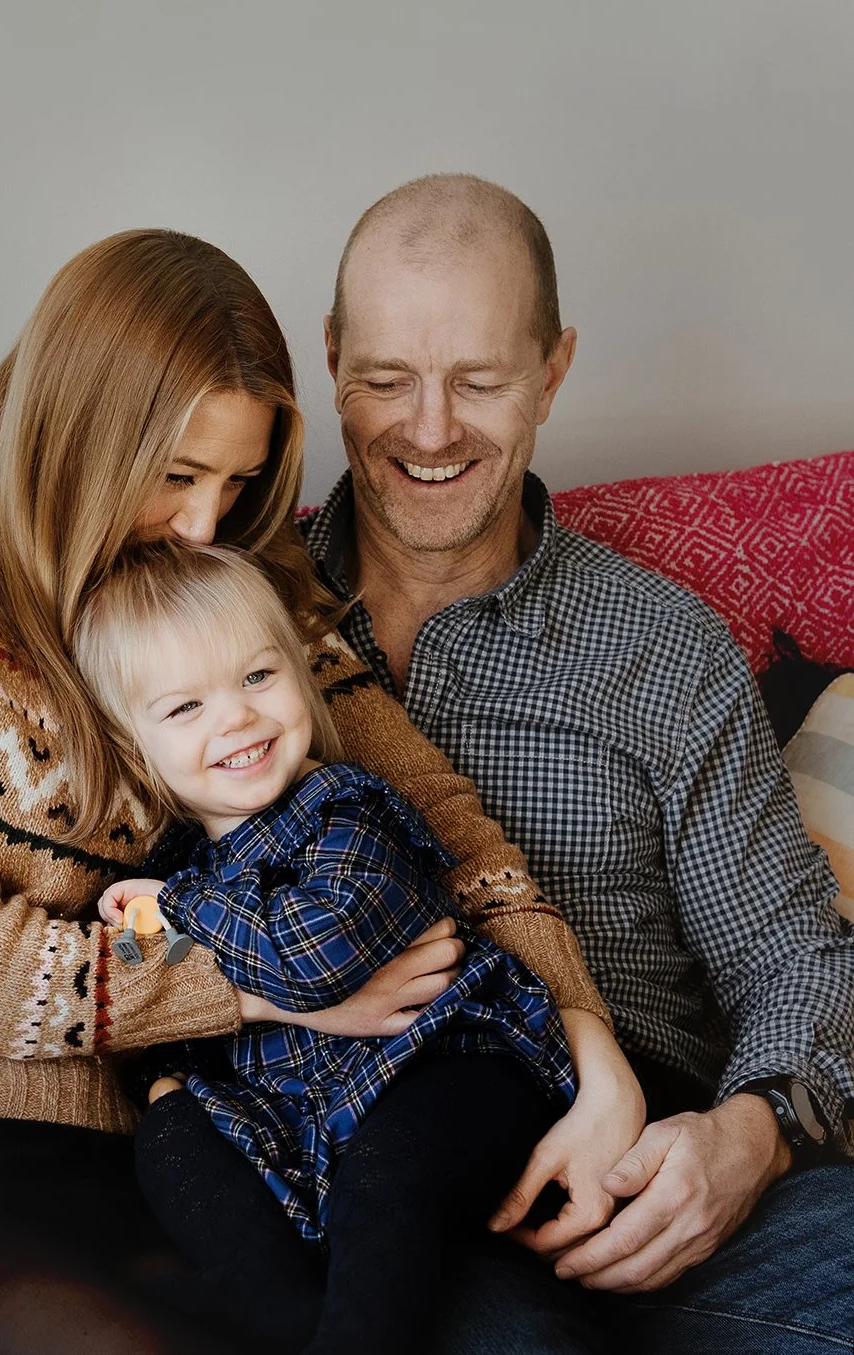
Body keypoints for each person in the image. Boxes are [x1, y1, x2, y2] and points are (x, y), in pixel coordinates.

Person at [0, 227, 633, 1355]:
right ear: (75, 430)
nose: (203, 523)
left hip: (146, 1150)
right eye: (177, 475)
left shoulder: (224, 575)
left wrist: (588, 1047)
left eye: (237, 481)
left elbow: (445, 823)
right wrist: (272, 987)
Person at [300, 172, 854, 1352]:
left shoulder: (660, 644)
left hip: (659, 1161)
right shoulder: (233, 622)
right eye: (387, 378)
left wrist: (738, 1142)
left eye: (480, 380)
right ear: (331, 356)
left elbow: (790, 951)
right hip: (394, 1169)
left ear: (551, 371)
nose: (431, 428)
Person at [74, 537, 593, 1354]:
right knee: (171, 1142)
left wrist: (175, 911)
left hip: (444, 1065)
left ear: (300, 674)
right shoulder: (170, 870)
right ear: (135, 749)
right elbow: (168, 1007)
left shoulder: (346, 812)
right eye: (185, 707)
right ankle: (290, 1324)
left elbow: (314, 963)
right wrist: (166, 1073)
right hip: (293, 1119)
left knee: (392, 1183)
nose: (238, 716)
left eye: (257, 676)